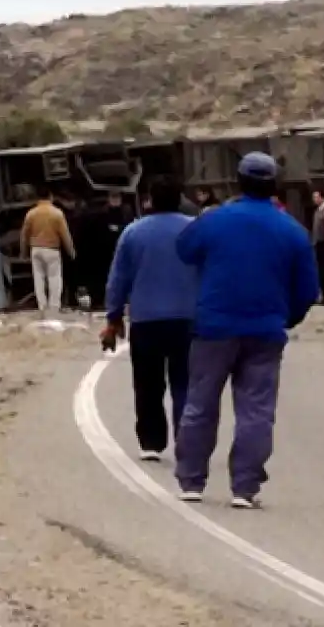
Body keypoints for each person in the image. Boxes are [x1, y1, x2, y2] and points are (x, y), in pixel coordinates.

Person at [173, 152, 319, 507]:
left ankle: (192, 480)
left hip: (214, 327)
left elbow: (184, 249)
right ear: (275, 185)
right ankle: (245, 487)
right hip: (265, 331)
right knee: (256, 410)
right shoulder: (293, 231)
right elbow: (308, 289)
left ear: (238, 182)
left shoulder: (215, 220)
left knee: (200, 403)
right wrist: (288, 317)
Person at [103, 176, 199, 462]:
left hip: (146, 320)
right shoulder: (194, 230)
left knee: (148, 383)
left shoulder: (133, 233)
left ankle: (151, 442)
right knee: (185, 382)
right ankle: (187, 437)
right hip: (188, 319)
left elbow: (118, 279)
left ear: (149, 201)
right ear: (180, 198)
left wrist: (113, 317)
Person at [20, 186, 76, 318]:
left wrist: (23, 252)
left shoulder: (31, 214)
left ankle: (42, 306)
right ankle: (54, 307)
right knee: (54, 278)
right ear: (50, 197)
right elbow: (65, 235)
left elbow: (24, 235)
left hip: (36, 250)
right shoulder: (57, 213)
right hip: (52, 249)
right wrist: (71, 251)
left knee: (38, 278)